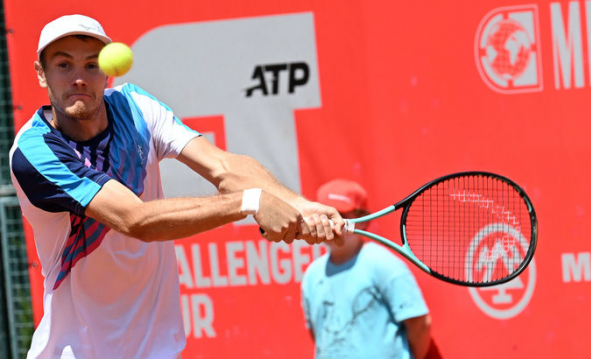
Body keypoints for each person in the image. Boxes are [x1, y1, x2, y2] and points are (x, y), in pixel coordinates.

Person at [9, 14, 344, 358]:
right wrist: (252, 202)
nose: (79, 78)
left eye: (92, 65)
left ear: (108, 70)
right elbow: (135, 220)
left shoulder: (136, 107)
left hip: (158, 350)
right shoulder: (35, 152)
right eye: (64, 65)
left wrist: (297, 203)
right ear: (41, 73)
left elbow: (224, 166)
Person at [301, 179, 432, 359]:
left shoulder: (384, 264)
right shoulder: (311, 275)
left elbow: (419, 324)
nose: (331, 225)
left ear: (362, 222)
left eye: (341, 216)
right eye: (325, 217)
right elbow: (318, 335)